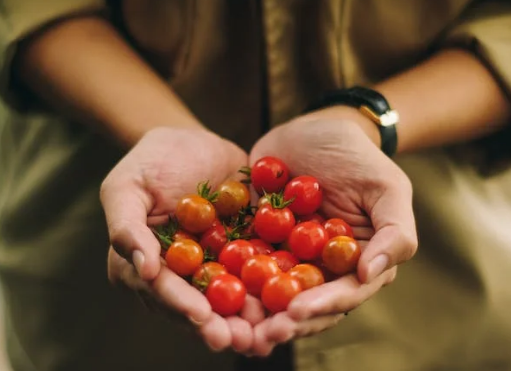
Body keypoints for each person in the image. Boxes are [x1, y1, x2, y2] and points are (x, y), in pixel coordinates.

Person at [0, 1, 510, 370]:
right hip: (97, 306)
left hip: (444, 290)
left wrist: (367, 122)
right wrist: (161, 130)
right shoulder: (244, 225)